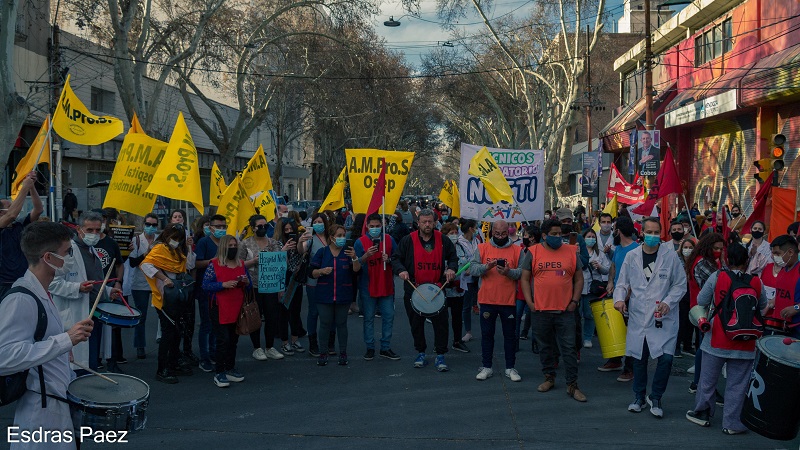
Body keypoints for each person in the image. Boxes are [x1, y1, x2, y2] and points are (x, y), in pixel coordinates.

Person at [0, 222, 94, 448]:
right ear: (48, 258)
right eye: (66, 252)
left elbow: (39, 342)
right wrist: (65, 339)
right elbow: (5, 357)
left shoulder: (42, 290)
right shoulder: (21, 298)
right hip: (40, 413)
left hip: (55, 405)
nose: (71, 257)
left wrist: (63, 351)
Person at [686, 243, 767, 433]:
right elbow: (762, 304)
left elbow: (701, 301)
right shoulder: (756, 281)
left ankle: (703, 413)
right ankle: (732, 423)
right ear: (747, 261)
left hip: (716, 338)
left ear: (726, 260)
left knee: (708, 379)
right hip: (746, 342)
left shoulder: (717, 276)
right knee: (737, 385)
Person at [614, 217, 687, 418]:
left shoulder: (670, 256)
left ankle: (656, 397)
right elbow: (622, 283)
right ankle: (638, 397)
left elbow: (680, 285)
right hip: (639, 316)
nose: (653, 236)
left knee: (665, 359)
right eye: (649, 232)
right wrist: (619, 299)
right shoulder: (632, 256)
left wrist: (668, 302)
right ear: (642, 233)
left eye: (656, 233)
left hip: (663, 317)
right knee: (639, 358)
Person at [521, 219, 587, 402]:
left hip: (566, 310)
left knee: (569, 348)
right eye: (554, 234)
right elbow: (525, 279)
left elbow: (579, 279)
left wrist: (574, 300)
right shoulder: (533, 252)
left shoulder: (572, 252)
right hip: (540, 310)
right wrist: (530, 302)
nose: (559, 237)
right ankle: (549, 378)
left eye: (560, 234)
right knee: (545, 347)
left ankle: (572, 385)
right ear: (544, 235)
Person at [49, 211, 120, 372]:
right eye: (89, 230)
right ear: (79, 229)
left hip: (94, 314)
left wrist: (108, 292)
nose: (94, 234)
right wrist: (77, 287)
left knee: (91, 359)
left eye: (98, 230)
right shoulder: (68, 251)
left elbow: (94, 282)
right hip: (75, 315)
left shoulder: (92, 250)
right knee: (78, 365)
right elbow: (52, 283)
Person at [393, 209, 458, 372]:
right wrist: (401, 269)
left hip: (437, 289)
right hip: (414, 289)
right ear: (418, 223)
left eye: (430, 222)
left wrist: (451, 268)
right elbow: (396, 258)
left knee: (441, 324)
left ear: (435, 223)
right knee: (416, 324)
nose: (427, 225)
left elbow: (453, 257)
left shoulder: (443, 240)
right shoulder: (408, 240)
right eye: (424, 222)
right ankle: (420, 352)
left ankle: (441, 354)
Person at [141, 223, 196, 384]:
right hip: (164, 298)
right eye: (174, 238)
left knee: (176, 332)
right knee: (168, 334)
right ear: (166, 236)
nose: (176, 241)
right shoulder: (159, 249)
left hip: (176, 297)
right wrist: (164, 279)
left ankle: (173, 362)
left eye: (179, 238)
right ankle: (162, 369)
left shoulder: (177, 250)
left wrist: (189, 248)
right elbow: (146, 265)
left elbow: (189, 265)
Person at [471, 220, 523, 382]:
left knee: (510, 336)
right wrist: (486, 267)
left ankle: (510, 367)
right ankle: (487, 366)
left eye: (503, 234)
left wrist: (508, 272)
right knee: (487, 334)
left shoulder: (517, 250)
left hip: (508, 301)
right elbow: (472, 269)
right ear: (492, 232)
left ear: (508, 232)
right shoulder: (482, 248)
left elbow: (522, 272)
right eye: (497, 234)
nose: (500, 237)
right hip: (487, 300)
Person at [240, 214, 290, 361]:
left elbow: (281, 265)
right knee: (255, 316)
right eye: (260, 226)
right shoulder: (245, 243)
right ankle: (257, 348)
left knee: (272, 316)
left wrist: (281, 288)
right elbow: (240, 264)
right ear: (253, 228)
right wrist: (254, 261)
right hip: (253, 285)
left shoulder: (273, 243)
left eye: (265, 226)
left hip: (271, 285)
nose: (263, 228)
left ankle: (270, 347)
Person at [310, 224, 361, 366]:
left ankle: (343, 352)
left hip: (343, 294)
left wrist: (355, 258)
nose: (342, 238)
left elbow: (356, 271)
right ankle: (323, 352)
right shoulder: (322, 252)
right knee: (325, 324)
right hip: (324, 294)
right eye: (339, 236)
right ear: (331, 237)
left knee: (341, 324)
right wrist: (321, 271)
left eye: (344, 235)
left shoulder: (348, 252)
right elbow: (311, 273)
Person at [203, 235, 250, 387]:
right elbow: (205, 285)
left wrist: (246, 282)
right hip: (219, 307)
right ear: (223, 247)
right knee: (223, 340)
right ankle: (219, 372)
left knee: (233, 340)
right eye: (229, 246)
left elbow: (248, 285)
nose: (232, 248)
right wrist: (223, 284)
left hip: (237, 306)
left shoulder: (241, 263)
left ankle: (230, 368)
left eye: (234, 245)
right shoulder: (214, 264)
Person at [355, 214, 401, 361]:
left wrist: (390, 259)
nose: (375, 229)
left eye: (378, 226)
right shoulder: (360, 242)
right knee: (368, 318)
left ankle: (385, 347)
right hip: (368, 286)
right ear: (367, 226)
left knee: (389, 316)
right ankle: (370, 347)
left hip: (386, 285)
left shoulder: (389, 239)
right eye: (372, 226)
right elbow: (355, 266)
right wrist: (365, 256)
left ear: (382, 226)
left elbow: (397, 257)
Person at [599, 216, 639, 381]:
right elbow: (614, 266)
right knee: (616, 329)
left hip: (630, 298)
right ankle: (615, 360)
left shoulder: (636, 250)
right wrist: (610, 282)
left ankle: (630, 368)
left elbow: (636, 276)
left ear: (618, 231)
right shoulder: (619, 249)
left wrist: (627, 294)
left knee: (630, 334)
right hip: (617, 296)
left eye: (614, 228)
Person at [686, 232, 725, 391]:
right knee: (705, 349)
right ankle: (701, 385)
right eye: (716, 248)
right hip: (704, 311)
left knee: (704, 348)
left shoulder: (706, 261)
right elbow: (717, 286)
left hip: (704, 310)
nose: (719, 251)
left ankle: (700, 384)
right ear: (708, 247)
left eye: (721, 249)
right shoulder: (703, 263)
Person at [0, 172, 43, 298]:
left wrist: (32, 187)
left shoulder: (19, 225)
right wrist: (24, 187)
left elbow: (38, 209)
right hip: (4, 284)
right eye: (10, 206)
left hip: (23, 281)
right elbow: (11, 214)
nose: (15, 208)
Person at [194, 214, 227, 372]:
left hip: (221, 288)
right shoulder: (203, 242)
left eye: (223, 227)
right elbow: (197, 263)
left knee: (217, 324)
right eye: (218, 227)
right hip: (206, 290)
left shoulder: (226, 243)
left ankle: (214, 352)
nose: (221, 229)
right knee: (206, 324)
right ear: (211, 227)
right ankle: (204, 357)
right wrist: (213, 261)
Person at [93, 209, 125, 372]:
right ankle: (94, 360)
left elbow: (119, 264)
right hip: (92, 291)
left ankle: (112, 362)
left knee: (111, 327)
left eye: (102, 220)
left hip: (110, 290)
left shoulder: (111, 243)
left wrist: (118, 283)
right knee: (93, 327)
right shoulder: (85, 244)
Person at [274, 217, 310, 353]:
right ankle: (284, 342)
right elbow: (275, 260)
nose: (289, 231)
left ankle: (295, 340)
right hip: (283, 279)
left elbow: (302, 251)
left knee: (295, 311)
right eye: (286, 229)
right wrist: (283, 249)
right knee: (283, 312)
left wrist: (300, 242)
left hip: (296, 279)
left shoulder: (300, 240)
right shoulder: (277, 243)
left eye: (291, 229)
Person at [128, 213, 159, 359]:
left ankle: (163, 340)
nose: (151, 227)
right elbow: (133, 263)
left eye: (154, 225)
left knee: (163, 314)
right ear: (143, 225)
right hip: (140, 284)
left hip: (157, 281)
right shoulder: (137, 240)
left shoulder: (160, 240)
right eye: (148, 224)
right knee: (141, 316)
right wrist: (146, 254)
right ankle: (140, 345)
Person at [303, 212, 331, 357]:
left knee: (329, 313)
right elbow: (301, 250)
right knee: (314, 312)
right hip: (313, 282)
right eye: (315, 221)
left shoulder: (331, 238)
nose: (318, 224)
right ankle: (313, 344)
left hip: (330, 281)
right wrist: (302, 241)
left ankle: (328, 344)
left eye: (320, 221)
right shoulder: (310, 239)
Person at [760, 235, 799, 338]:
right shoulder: (783, 271)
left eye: (777, 253)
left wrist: (796, 308)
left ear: (790, 252)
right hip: (780, 327)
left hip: (797, 329)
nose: (773, 257)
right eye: (772, 253)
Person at [440, 223, 470, 353]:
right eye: (450, 233)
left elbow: (468, 260)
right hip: (444, 288)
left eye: (455, 233)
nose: (454, 235)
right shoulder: (440, 248)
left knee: (457, 316)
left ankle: (457, 341)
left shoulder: (461, 247)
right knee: (442, 318)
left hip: (459, 288)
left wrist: (468, 269)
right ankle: (441, 343)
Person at [581, 228, 610, 348]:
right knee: (577, 315)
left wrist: (599, 266)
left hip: (592, 288)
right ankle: (577, 337)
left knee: (589, 314)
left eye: (593, 237)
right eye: (588, 237)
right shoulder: (578, 252)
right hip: (579, 287)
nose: (591, 239)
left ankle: (587, 337)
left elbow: (606, 270)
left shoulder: (600, 254)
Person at [458, 219, 480, 343]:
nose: (477, 230)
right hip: (466, 278)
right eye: (476, 227)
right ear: (471, 229)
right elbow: (462, 260)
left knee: (480, 301)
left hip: (478, 276)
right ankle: (468, 332)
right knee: (466, 306)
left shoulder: (477, 240)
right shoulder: (459, 243)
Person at [676, 238, 697, 356]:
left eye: (690, 248)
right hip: (680, 294)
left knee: (690, 321)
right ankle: (676, 346)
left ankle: (688, 345)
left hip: (692, 294)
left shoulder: (696, 262)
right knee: (680, 321)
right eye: (685, 247)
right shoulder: (677, 260)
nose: (687, 250)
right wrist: (678, 251)